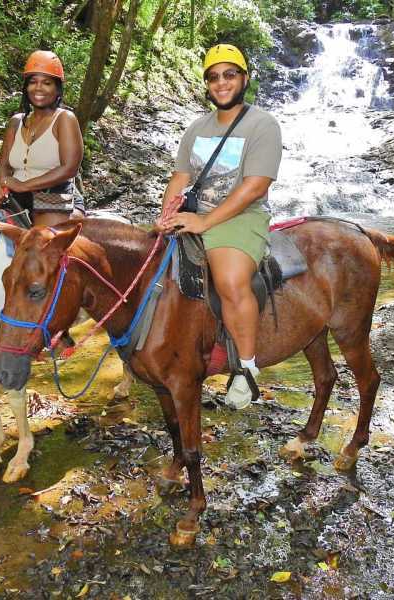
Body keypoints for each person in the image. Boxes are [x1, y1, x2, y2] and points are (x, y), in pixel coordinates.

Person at [158, 44, 282, 410]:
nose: (221, 83)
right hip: (195, 212)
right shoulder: (197, 128)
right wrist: (166, 214)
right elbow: (180, 177)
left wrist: (204, 222)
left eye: (229, 74)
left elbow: (256, 186)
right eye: (213, 77)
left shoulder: (262, 124)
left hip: (241, 216)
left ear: (244, 78)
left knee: (229, 279)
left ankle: (246, 367)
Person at [0, 50, 84, 228]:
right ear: (26, 87)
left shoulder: (64, 119)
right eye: (33, 82)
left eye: (47, 83)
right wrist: (3, 184)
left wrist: (23, 186)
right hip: (16, 196)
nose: (38, 88)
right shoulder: (16, 122)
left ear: (57, 88)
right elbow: (3, 165)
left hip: (56, 195)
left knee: (42, 239)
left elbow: (69, 168)